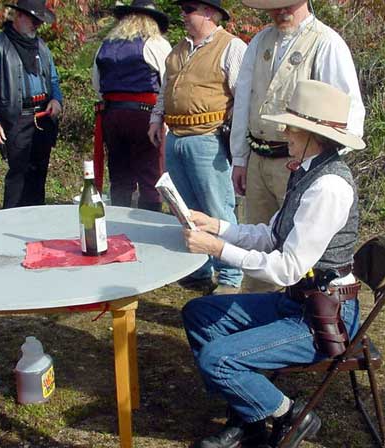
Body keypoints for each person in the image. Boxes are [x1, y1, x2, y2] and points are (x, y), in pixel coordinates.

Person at [181, 80, 366, 448]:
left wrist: (218, 249)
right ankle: (250, 419)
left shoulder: (328, 187)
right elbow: (271, 235)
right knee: (199, 314)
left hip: (324, 317)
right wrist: (218, 226)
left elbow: (286, 268)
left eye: (290, 125)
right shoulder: (307, 170)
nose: (283, 131)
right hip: (298, 301)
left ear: (313, 133)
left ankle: (289, 414)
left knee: (217, 359)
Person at [230, 0, 365, 292]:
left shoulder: (327, 43)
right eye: (274, 5)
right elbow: (244, 99)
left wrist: (315, 163)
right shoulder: (259, 41)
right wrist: (240, 158)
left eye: (287, 3)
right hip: (258, 159)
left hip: (300, 161)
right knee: (262, 241)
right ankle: (251, 316)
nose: (280, 11)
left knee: (298, 253)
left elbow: (349, 114)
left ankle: (295, 317)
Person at [148, 0, 247, 294]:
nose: (183, 15)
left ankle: (230, 276)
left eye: (189, 9)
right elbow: (166, 90)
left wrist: (238, 144)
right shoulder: (178, 50)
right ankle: (198, 267)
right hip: (175, 136)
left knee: (217, 208)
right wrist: (156, 119)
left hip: (209, 139)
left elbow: (242, 98)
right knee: (184, 208)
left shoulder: (232, 47)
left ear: (209, 13)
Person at [0, 0, 63, 209]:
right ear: (19, 16)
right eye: (33, 19)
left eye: (39, 21)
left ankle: (35, 224)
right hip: (17, 118)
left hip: (43, 117)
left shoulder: (41, 46)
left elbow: (53, 79)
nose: (36, 24)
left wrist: (56, 100)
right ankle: (11, 222)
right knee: (18, 176)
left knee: (39, 174)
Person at [91, 0, 171, 210]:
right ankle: (147, 225)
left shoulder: (105, 45)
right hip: (144, 117)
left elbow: (97, 85)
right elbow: (169, 82)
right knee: (150, 175)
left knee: (120, 175)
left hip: (112, 116)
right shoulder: (156, 44)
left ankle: (118, 224)